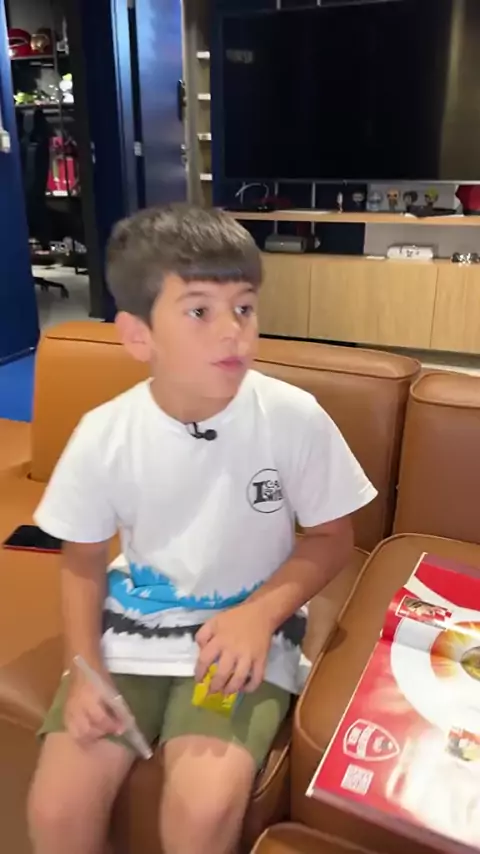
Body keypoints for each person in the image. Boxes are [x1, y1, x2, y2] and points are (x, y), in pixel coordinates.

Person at [27, 205, 377, 854]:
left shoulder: (292, 416)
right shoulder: (105, 433)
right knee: (56, 810)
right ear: (138, 336)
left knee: (203, 808)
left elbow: (333, 536)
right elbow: (81, 559)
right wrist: (84, 665)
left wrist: (259, 614)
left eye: (244, 307)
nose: (232, 332)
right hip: (132, 629)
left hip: (245, 633)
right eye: (198, 311)